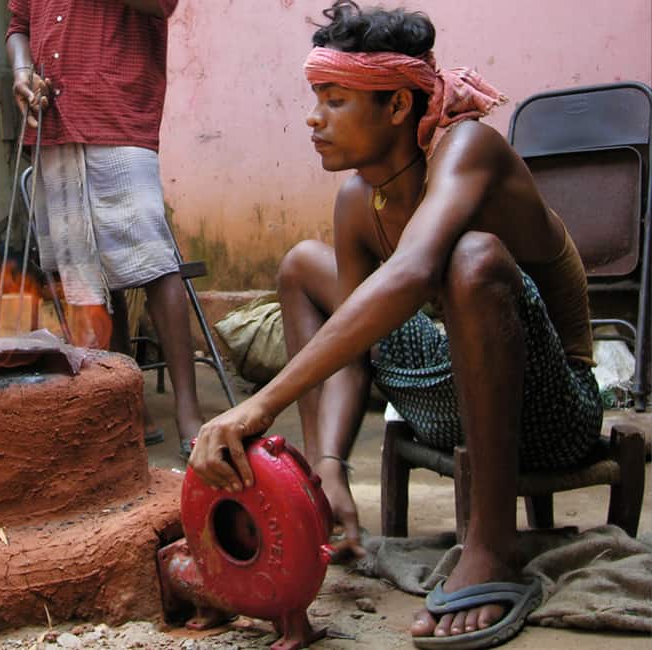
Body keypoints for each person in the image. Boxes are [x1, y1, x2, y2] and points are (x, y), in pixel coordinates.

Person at [190, 1, 602, 647]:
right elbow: (362, 341)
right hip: (451, 397)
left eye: (335, 99)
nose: (313, 117)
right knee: (303, 265)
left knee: (471, 258)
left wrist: (258, 406)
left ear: (399, 106)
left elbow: (412, 272)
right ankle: (320, 484)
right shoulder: (358, 199)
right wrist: (329, 462)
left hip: (550, 409)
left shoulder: (468, 148)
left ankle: (491, 547)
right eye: (314, 97)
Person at [6, 0, 204, 453]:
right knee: (85, 275)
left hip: (116, 109)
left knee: (153, 262)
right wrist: (22, 71)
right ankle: (126, 403)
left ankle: (189, 412)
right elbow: (18, 25)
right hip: (53, 119)